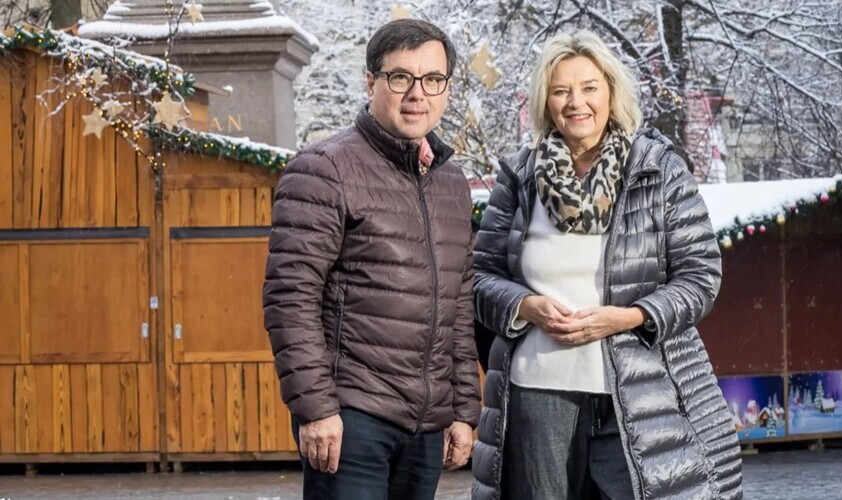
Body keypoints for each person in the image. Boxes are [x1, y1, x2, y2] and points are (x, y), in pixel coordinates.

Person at [471, 31, 743, 500]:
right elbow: (479, 279)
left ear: (611, 92)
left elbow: (701, 276)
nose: (576, 102)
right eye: (561, 90)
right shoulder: (519, 176)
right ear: (545, 101)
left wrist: (631, 317)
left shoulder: (657, 170)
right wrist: (526, 306)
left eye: (589, 87)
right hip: (539, 390)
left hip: (640, 389)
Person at [262, 18, 480, 500]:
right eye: (400, 77)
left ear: (446, 88)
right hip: (352, 420)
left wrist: (464, 409)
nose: (416, 94)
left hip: (425, 428)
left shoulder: (451, 184)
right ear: (371, 82)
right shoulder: (325, 169)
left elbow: (459, 305)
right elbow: (289, 298)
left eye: (432, 80)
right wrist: (316, 410)